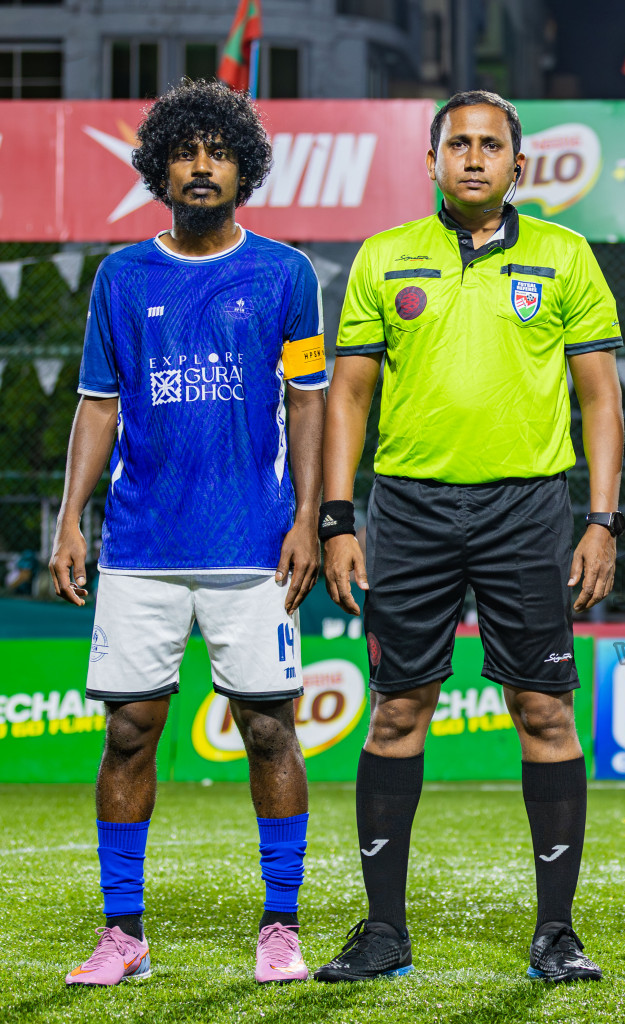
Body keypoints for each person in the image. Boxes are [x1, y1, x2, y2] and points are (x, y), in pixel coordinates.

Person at [314, 91, 625, 984]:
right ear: (433, 161)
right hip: (408, 508)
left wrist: (601, 520)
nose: (476, 157)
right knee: (400, 707)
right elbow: (350, 397)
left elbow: (602, 398)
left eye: (493, 145)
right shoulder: (385, 257)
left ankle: (556, 933)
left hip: (528, 509)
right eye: (460, 144)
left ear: (518, 166)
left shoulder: (564, 258)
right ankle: (383, 932)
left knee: (545, 710)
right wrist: (340, 517)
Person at [51, 80, 325, 985]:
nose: (202, 164)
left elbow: (309, 405)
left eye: (219, 151)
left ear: (244, 168)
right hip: (142, 546)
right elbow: (97, 407)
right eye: (185, 150)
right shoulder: (122, 278)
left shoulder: (286, 274)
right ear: (159, 166)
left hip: (253, 545)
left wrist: (310, 521)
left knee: (270, 732)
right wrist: (70, 521)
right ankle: (123, 933)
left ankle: (279, 926)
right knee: (129, 731)